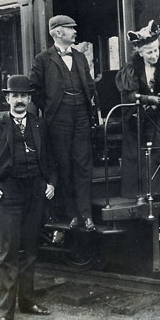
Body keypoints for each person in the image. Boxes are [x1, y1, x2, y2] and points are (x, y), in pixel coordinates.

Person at [0, 75, 57, 320]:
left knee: (30, 250)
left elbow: (50, 159)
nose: (19, 100)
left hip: (34, 193)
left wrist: (51, 182)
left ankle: (27, 302)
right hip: (8, 195)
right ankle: (4, 312)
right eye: (15, 96)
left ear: (30, 99)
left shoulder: (40, 125)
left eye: (24, 96)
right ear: (7, 99)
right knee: (8, 253)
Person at [30, 15, 96, 231]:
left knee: (83, 164)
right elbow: (35, 91)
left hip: (81, 117)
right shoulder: (42, 59)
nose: (75, 32)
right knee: (64, 165)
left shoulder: (80, 57)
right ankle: (72, 214)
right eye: (71, 28)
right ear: (58, 32)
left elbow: (89, 85)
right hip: (58, 119)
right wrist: (51, 108)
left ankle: (86, 214)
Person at [115, 20, 160, 197]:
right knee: (136, 145)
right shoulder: (132, 69)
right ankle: (138, 192)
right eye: (149, 52)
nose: (154, 55)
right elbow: (131, 95)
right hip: (140, 114)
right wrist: (149, 99)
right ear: (140, 53)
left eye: (156, 50)